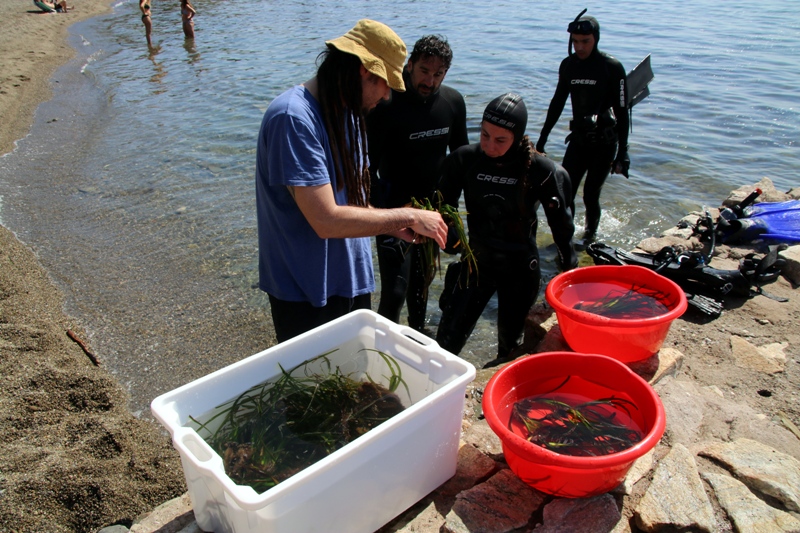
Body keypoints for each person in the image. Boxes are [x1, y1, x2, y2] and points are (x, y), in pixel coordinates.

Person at [255, 19, 448, 343]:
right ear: (363, 70)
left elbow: (351, 202)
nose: (386, 96)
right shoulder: (292, 118)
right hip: (305, 293)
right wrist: (409, 215)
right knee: (314, 376)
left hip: (352, 281)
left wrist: (393, 225)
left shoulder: (351, 113)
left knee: (356, 370)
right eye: (385, 83)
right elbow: (325, 220)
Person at [436, 93, 577, 368]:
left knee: (509, 349)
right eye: (485, 135)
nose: (489, 145)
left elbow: (562, 229)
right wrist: (451, 240)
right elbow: (443, 206)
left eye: (500, 140)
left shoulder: (541, 170)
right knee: (445, 345)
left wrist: (569, 274)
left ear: (518, 136)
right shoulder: (465, 160)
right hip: (476, 263)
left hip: (520, 269)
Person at [367, 35, 469, 333]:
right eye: (424, 71)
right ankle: (382, 347)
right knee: (395, 293)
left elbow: (461, 163)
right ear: (409, 65)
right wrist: (383, 215)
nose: (430, 81)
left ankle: (415, 340)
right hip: (394, 210)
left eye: (438, 74)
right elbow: (367, 170)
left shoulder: (452, 103)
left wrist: (450, 213)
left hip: (432, 212)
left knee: (420, 291)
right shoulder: (386, 104)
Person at [535, 10, 629, 243]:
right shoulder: (569, 66)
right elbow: (557, 104)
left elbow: (622, 112)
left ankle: (589, 238)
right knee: (565, 192)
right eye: (575, 41)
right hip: (579, 141)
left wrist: (623, 152)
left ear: (596, 38)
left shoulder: (611, 67)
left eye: (585, 41)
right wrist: (542, 140)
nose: (579, 47)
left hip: (604, 143)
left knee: (590, 195)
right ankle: (567, 239)